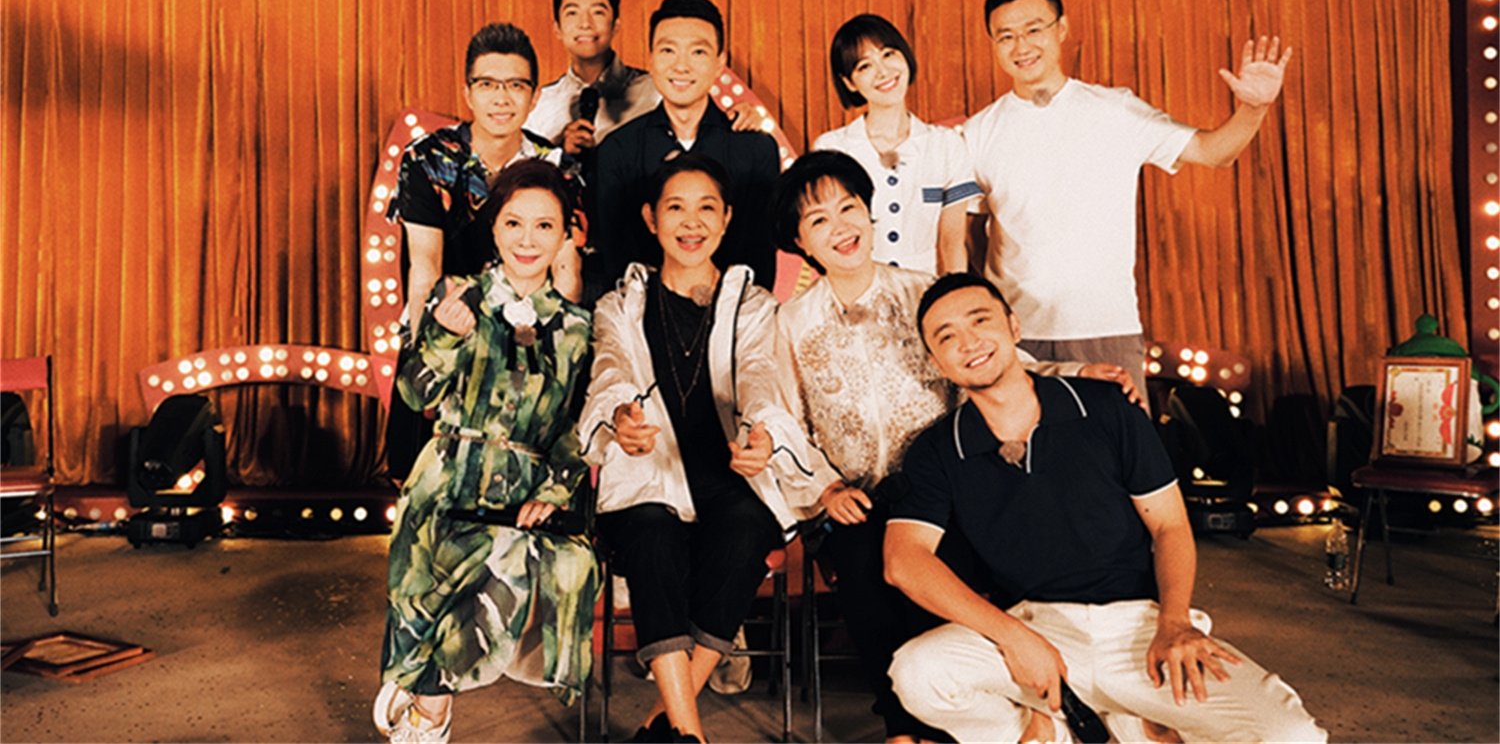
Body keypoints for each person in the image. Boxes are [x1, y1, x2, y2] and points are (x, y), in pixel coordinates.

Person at [770, 151, 1140, 743]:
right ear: (799, 241)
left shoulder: (922, 292)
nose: (840, 227)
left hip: (949, 482)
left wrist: (1074, 372)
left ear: (869, 212)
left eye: (849, 208)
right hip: (856, 498)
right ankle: (903, 728)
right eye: (819, 220)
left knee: (962, 565)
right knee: (866, 564)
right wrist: (825, 487)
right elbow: (787, 420)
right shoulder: (789, 322)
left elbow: (996, 360)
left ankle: (1017, 704)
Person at [883, 272, 1326, 744]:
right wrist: (1012, 636)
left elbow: (1170, 525)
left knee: (1292, 735)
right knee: (918, 672)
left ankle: (1130, 718)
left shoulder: (1106, 408)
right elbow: (903, 561)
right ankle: (1040, 731)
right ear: (935, 361)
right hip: (1035, 627)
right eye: (947, 337)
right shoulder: (937, 449)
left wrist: (1174, 622)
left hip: (1138, 626)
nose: (969, 342)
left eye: (980, 320)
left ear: (1013, 327)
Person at [579, 153, 820, 743]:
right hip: (648, 474)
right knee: (651, 536)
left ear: (727, 217)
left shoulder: (752, 304)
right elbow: (610, 370)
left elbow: (760, 374)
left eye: (707, 208)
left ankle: (666, 725)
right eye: (676, 208)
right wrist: (620, 416)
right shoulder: (620, 305)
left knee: (745, 528)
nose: (692, 223)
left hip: (728, 474)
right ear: (651, 218)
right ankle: (691, 732)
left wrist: (761, 432)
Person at [965, 0, 1293, 394]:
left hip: (1107, 329)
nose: (1021, 46)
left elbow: (1213, 152)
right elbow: (966, 236)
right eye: (1005, 36)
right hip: (1015, 336)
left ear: (1061, 29)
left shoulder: (1114, 110)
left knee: (1121, 437)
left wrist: (1254, 108)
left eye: (1034, 30)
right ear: (992, 43)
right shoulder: (978, 133)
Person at [374, 160, 599, 744]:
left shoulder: (577, 328)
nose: (528, 239)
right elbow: (415, 395)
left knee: (527, 558)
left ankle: (425, 694)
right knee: (444, 565)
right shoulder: (455, 296)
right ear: (494, 228)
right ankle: (427, 704)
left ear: (565, 235)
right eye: (514, 223)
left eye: (544, 226)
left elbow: (574, 427)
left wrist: (555, 490)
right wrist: (444, 339)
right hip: (449, 476)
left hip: (524, 488)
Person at [384, 22, 581, 481]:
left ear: (534, 96)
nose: (501, 98)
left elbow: (567, 268)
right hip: (450, 319)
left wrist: (563, 357)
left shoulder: (556, 167)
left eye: (516, 85)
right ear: (468, 93)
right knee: (421, 474)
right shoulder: (428, 159)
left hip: (526, 335)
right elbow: (424, 265)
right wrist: (428, 349)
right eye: (488, 84)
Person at [592, 0, 781, 295]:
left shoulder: (755, 150)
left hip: (736, 313)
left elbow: (759, 258)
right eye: (668, 50)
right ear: (651, 59)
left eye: (698, 52)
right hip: (642, 314)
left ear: (719, 63)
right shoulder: (618, 150)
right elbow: (615, 259)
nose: (681, 66)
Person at [812, 14, 980, 276]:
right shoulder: (832, 149)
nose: (883, 72)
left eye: (888, 54)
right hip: (859, 290)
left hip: (927, 288)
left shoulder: (946, 145)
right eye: (865, 66)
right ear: (849, 82)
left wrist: (955, 291)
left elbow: (952, 242)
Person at [526, 0, 658, 157]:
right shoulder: (539, 106)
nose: (585, 24)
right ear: (557, 29)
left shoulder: (653, 93)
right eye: (572, 13)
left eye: (598, 12)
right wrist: (561, 152)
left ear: (616, 26)